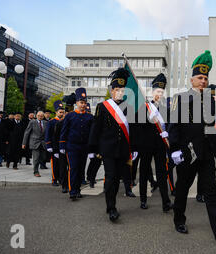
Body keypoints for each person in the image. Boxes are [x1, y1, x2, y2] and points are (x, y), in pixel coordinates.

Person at [168, 50, 216, 241]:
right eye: (199, 78)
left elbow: (213, 127)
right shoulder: (180, 98)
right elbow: (173, 126)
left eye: (205, 78)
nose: (203, 81)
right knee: (182, 189)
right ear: (191, 80)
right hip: (187, 153)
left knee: (211, 191)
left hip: (206, 153)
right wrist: (174, 150)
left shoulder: (209, 101)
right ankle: (179, 220)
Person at [88, 67, 138, 221]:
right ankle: (111, 207)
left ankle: (112, 201)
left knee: (117, 179)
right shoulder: (103, 107)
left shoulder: (128, 107)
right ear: (111, 90)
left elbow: (133, 130)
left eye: (122, 90)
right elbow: (96, 129)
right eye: (117, 89)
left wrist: (134, 148)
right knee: (110, 177)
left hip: (123, 150)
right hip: (108, 149)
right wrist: (92, 149)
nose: (119, 92)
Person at [136, 73, 173, 212]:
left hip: (160, 145)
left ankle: (166, 202)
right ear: (153, 92)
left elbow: (170, 126)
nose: (160, 94)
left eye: (162, 92)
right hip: (146, 145)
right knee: (144, 172)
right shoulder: (145, 107)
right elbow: (138, 127)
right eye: (158, 91)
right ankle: (143, 200)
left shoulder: (166, 110)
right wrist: (148, 118)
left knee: (162, 173)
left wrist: (167, 132)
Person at [59, 88, 93, 200]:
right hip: (72, 147)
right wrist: (62, 145)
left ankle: (78, 190)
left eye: (84, 103)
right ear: (77, 103)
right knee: (73, 168)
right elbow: (64, 131)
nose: (83, 105)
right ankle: (72, 191)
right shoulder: (70, 116)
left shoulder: (89, 117)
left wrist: (92, 148)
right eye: (81, 103)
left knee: (80, 169)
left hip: (84, 147)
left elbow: (91, 133)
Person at [45, 100, 65, 186]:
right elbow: (48, 134)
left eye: (63, 112)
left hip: (62, 146)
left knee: (62, 165)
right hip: (54, 146)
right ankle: (54, 179)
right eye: (60, 112)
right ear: (56, 112)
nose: (62, 114)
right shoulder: (52, 122)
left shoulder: (64, 121)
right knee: (55, 164)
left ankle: (61, 178)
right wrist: (48, 145)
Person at [22, 111, 48, 177]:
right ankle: (36, 171)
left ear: (43, 116)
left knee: (43, 157)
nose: (40, 117)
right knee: (36, 158)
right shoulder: (32, 122)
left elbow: (48, 133)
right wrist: (24, 143)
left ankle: (39, 166)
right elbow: (27, 132)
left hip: (43, 143)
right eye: (39, 115)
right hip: (34, 143)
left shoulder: (45, 123)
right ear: (36, 116)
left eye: (42, 116)